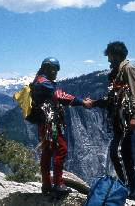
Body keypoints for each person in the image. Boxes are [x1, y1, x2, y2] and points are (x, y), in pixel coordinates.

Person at [92, 41, 135, 199]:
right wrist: (95, 103)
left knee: (120, 152)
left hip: (126, 119)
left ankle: (129, 188)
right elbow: (112, 98)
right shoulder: (117, 71)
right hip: (119, 118)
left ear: (116, 55)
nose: (108, 60)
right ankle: (127, 187)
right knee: (120, 152)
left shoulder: (128, 69)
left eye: (109, 56)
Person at [31, 57, 92, 195]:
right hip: (51, 124)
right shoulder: (44, 83)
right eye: (54, 69)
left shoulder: (38, 80)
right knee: (61, 150)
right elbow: (60, 96)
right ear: (47, 68)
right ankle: (58, 184)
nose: (56, 72)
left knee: (47, 152)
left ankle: (46, 184)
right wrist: (82, 102)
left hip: (44, 123)